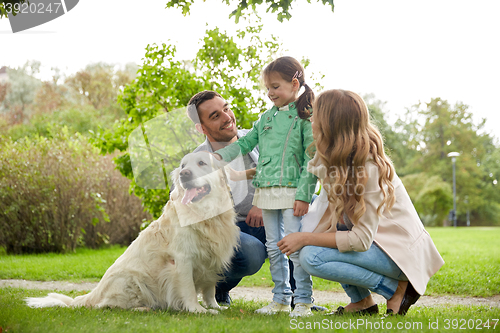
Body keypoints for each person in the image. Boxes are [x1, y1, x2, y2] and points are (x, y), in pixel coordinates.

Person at [277, 89, 445, 316]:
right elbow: (320, 201)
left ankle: (396, 289)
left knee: (312, 256)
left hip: (398, 255)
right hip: (377, 245)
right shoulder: (334, 156)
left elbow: (361, 239)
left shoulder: (369, 167)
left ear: (331, 124)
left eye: (316, 116)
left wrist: (304, 238)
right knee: (327, 230)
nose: (311, 121)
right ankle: (362, 302)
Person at [213, 56, 318, 317]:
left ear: (294, 84)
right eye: (268, 88)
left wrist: (304, 196)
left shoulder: (305, 119)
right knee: (274, 247)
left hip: (293, 193)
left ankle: (303, 300)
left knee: (293, 246)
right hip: (266, 191)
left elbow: (312, 161)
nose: (270, 93)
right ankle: (280, 299)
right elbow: (244, 144)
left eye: (275, 87)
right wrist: (219, 157)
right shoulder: (265, 119)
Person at [186, 90, 266, 307]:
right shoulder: (198, 160)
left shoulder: (257, 139)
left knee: (310, 209)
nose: (227, 117)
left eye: (226, 108)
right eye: (215, 116)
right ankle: (218, 289)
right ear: (202, 128)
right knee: (251, 252)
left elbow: (284, 172)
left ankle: (299, 299)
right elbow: (182, 203)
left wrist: (261, 200)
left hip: (270, 216)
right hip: (229, 230)